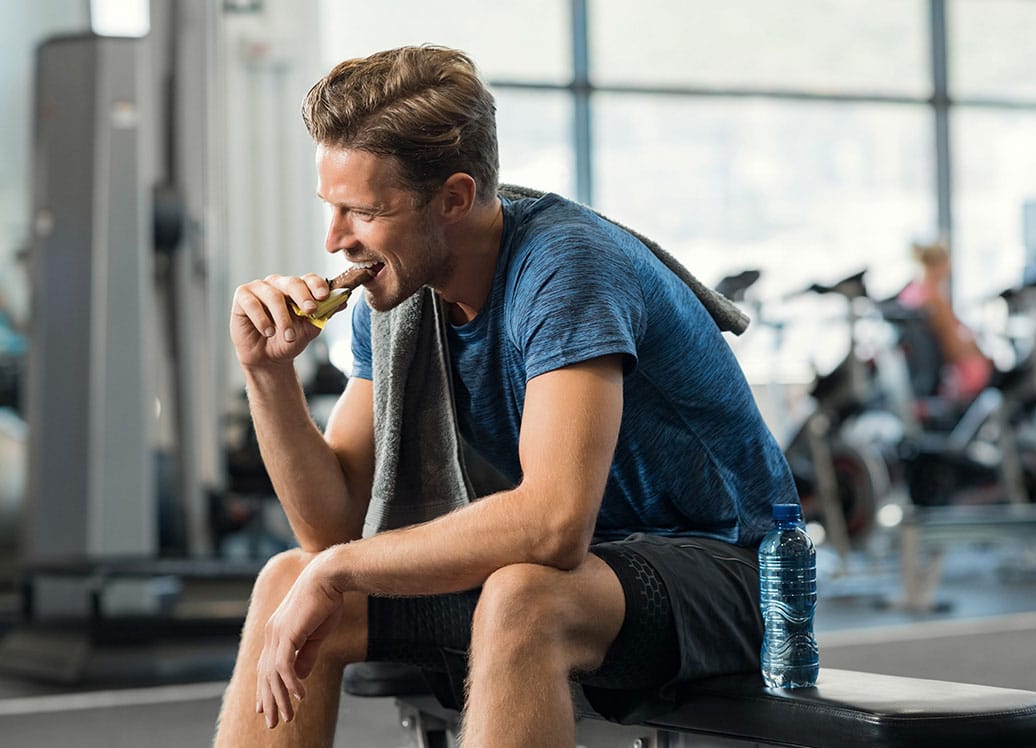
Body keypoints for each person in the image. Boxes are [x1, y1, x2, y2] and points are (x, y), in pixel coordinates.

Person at [215, 45, 796, 747]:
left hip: (739, 573)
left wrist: (339, 570)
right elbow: (329, 529)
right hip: (592, 570)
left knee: (525, 597)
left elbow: (553, 525)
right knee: (289, 577)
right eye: (331, 208)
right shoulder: (396, 292)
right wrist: (267, 374)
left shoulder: (567, 268)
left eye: (362, 212)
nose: (336, 240)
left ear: (455, 198)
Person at [897, 240, 993, 403]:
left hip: (917, 376)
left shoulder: (910, 293)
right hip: (948, 376)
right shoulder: (935, 300)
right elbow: (952, 348)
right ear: (941, 265)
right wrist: (983, 357)